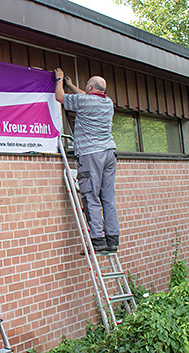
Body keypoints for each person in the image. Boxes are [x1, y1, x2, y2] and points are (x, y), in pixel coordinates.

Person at [54, 68, 119, 253]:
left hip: (91, 155)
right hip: (109, 153)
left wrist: (59, 79)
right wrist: (72, 85)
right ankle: (112, 240)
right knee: (108, 197)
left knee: (90, 195)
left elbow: (60, 97)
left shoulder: (85, 101)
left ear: (90, 86)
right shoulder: (107, 102)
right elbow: (86, 96)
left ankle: (97, 240)